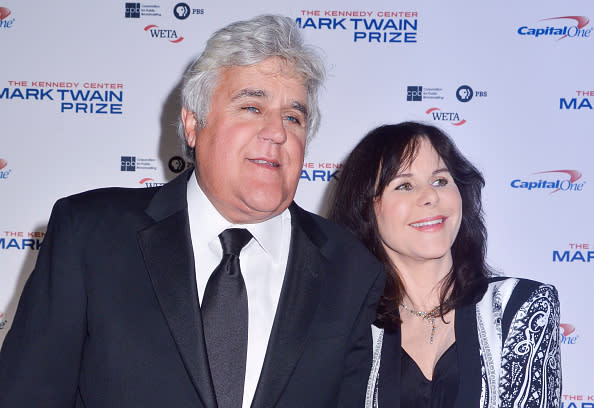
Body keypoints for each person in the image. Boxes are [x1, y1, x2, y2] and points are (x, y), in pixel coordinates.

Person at [0, 15, 385, 408]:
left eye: (293, 116)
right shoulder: (89, 235)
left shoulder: (350, 270)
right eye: (252, 107)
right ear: (192, 125)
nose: (277, 132)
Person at [328, 122, 561, 408]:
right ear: (366, 208)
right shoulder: (352, 328)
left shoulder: (520, 307)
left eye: (440, 181)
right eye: (404, 185)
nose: (430, 196)